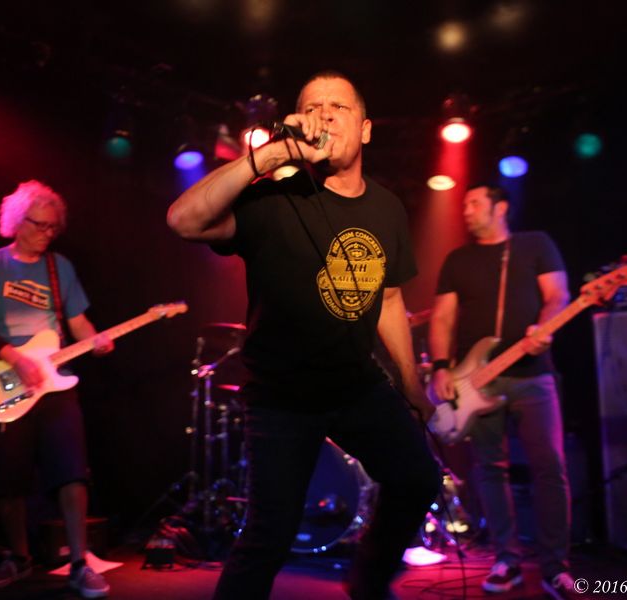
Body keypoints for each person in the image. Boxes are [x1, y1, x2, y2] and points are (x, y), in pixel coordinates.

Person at [167, 71, 441, 600]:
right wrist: (270, 156)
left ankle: (368, 582)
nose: (325, 115)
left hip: (356, 387)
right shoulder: (273, 198)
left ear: (365, 129)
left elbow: (387, 298)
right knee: (269, 535)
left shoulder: (387, 207)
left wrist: (411, 386)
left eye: (338, 106)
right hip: (282, 396)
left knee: (418, 480)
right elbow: (183, 220)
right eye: (313, 107)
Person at [0, 180, 112, 599]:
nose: (47, 233)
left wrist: (96, 339)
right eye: (39, 225)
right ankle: (18, 556)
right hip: (6, 379)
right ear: (16, 222)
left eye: (52, 227)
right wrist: (15, 358)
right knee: (7, 478)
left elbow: (78, 323)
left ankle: (79, 564)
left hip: (56, 384)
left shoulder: (61, 268)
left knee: (72, 471)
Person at [427, 184, 575, 599]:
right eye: (464, 204)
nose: (466, 210)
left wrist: (543, 328)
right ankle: (506, 559)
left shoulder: (535, 244)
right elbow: (442, 318)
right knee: (490, 469)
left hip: (533, 375)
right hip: (476, 381)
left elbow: (558, 296)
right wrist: (441, 366)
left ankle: (555, 566)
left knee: (550, 468)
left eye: (475, 203)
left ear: (501, 207)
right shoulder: (458, 259)